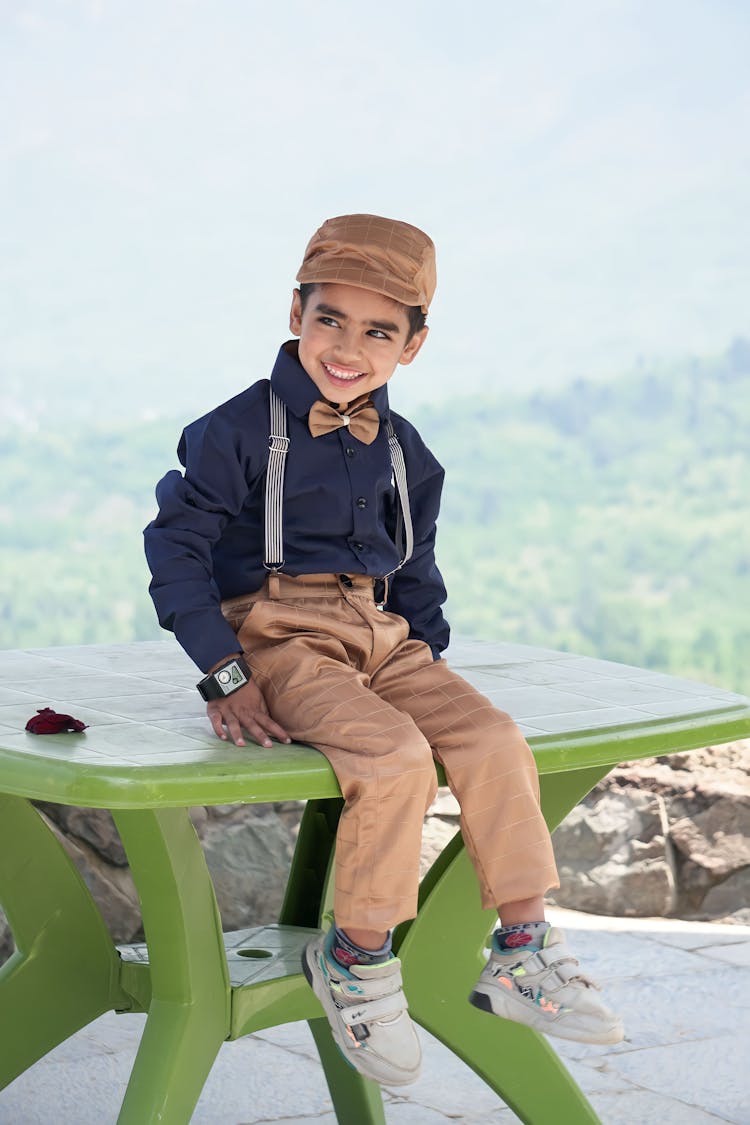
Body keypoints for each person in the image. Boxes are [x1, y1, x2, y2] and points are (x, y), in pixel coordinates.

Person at [144, 213, 623, 1087]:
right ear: (296, 311)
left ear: (414, 344)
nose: (348, 347)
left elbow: (418, 570)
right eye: (331, 318)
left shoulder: (407, 452)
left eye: (379, 331)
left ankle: (523, 946)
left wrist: (426, 663)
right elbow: (175, 547)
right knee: (393, 754)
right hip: (277, 633)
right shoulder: (236, 430)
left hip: (382, 633)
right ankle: (357, 959)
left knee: (491, 737)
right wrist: (224, 670)